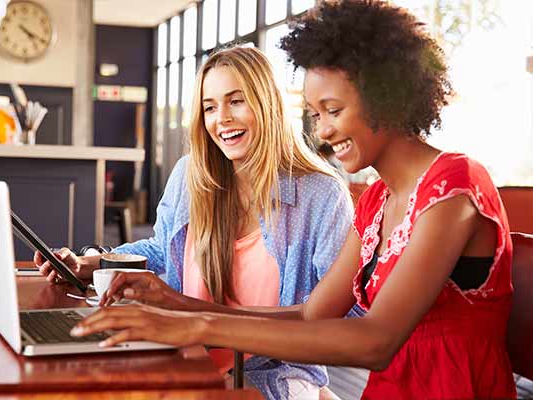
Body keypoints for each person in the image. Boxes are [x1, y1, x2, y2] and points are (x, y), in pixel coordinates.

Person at [69, 1, 517, 399]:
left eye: (334, 111)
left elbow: (375, 342)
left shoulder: (454, 184)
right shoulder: (378, 199)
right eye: (316, 114)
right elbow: (310, 314)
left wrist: (199, 325)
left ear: (388, 98)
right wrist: (179, 305)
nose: (321, 131)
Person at [35, 45, 353, 399]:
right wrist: (90, 263)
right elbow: (159, 251)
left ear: (268, 104)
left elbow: (338, 318)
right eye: (210, 107)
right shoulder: (190, 174)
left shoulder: (320, 194)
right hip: (184, 357)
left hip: (271, 374)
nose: (222, 119)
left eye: (236, 101)